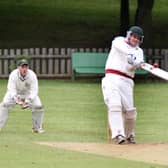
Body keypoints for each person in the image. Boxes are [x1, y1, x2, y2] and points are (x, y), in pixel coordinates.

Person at [102, 26, 144, 144]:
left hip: (127, 81)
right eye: (133, 36)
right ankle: (118, 134)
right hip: (111, 77)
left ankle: (130, 134)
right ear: (129, 35)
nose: (135, 39)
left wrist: (135, 64)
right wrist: (132, 57)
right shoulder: (118, 41)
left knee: (130, 111)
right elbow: (123, 50)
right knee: (115, 106)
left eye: (138, 38)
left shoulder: (139, 52)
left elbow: (129, 67)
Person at [0, 59, 45, 133]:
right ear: (18, 67)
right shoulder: (13, 74)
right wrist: (17, 100)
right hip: (15, 93)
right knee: (4, 105)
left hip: (28, 94)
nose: (24, 69)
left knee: (38, 106)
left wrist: (28, 100)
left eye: (26, 67)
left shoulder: (32, 75)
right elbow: (11, 89)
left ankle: (36, 128)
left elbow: (34, 90)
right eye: (22, 67)